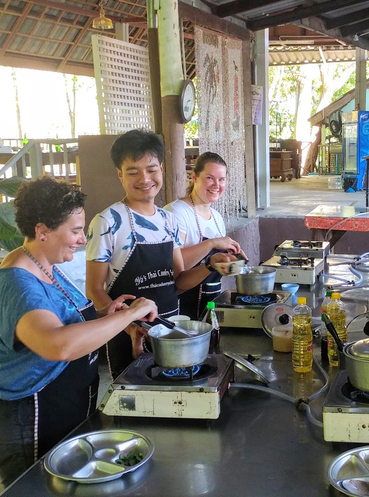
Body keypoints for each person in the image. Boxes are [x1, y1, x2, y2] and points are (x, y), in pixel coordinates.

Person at [0, 178, 157, 488]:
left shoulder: (46, 265)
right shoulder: (19, 283)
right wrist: (133, 312)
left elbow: (65, 321)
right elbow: (57, 344)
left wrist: (108, 316)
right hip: (34, 422)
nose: (80, 240)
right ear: (42, 230)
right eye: (74, 231)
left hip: (66, 412)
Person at [86, 129, 235, 379]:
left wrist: (210, 265)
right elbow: (94, 290)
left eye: (152, 169)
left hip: (171, 331)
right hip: (129, 335)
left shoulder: (169, 220)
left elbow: (178, 282)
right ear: (119, 174)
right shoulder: (107, 221)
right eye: (133, 171)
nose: (145, 179)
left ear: (162, 170)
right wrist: (130, 325)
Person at [164, 152, 243, 319]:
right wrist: (212, 244)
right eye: (210, 178)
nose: (216, 185)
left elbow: (213, 267)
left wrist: (233, 264)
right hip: (181, 308)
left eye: (221, 179)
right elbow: (176, 267)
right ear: (194, 177)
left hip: (209, 305)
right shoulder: (177, 212)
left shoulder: (216, 217)